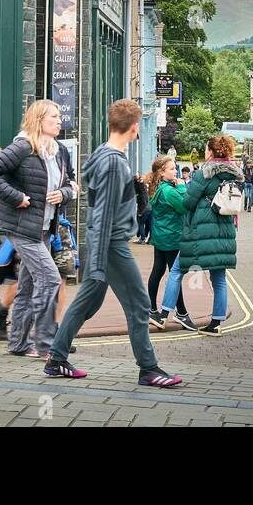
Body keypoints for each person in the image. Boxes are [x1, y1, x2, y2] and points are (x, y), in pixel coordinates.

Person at [43, 100, 183, 386]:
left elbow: (90, 187)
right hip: (112, 243)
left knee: (87, 302)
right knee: (139, 304)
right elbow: (104, 212)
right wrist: (95, 264)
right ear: (134, 128)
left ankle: (56, 359)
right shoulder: (114, 162)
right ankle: (149, 369)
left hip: (104, 240)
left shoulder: (102, 154)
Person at [0, 100, 75, 358]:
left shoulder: (60, 150)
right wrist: (16, 197)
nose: (59, 120)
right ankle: (46, 344)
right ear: (38, 120)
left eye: (59, 116)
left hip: (44, 229)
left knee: (29, 285)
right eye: (53, 116)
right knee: (51, 279)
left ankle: (19, 343)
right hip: (21, 227)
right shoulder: (23, 146)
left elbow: (71, 183)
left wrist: (63, 194)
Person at [155, 134, 242, 338]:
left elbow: (188, 203)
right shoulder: (234, 174)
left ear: (210, 151)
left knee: (177, 270)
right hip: (225, 231)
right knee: (219, 278)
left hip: (199, 232)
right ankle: (215, 324)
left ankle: (163, 315)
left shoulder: (205, 173)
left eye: (206, 149)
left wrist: (182, 186)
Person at [145, 157, 194, 332]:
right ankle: (181, 313)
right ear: (161, 172)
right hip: (171, 237)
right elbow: (184, 207)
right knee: (175, 275)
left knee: (157, 271)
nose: (176, 172)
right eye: (172, 169)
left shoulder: (159, 188)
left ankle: (152, 310)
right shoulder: (170, 191)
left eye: (176, 168)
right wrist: (182, 186)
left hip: (160, 235)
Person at [133, 171, 151, 241]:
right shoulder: (143, 186)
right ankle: (145, 238)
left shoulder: (140, 188)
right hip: (148, 207)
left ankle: (142, 238)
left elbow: (143, 200)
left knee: (140, 223)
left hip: (144, 208)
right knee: (147, 224)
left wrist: (140, 212)